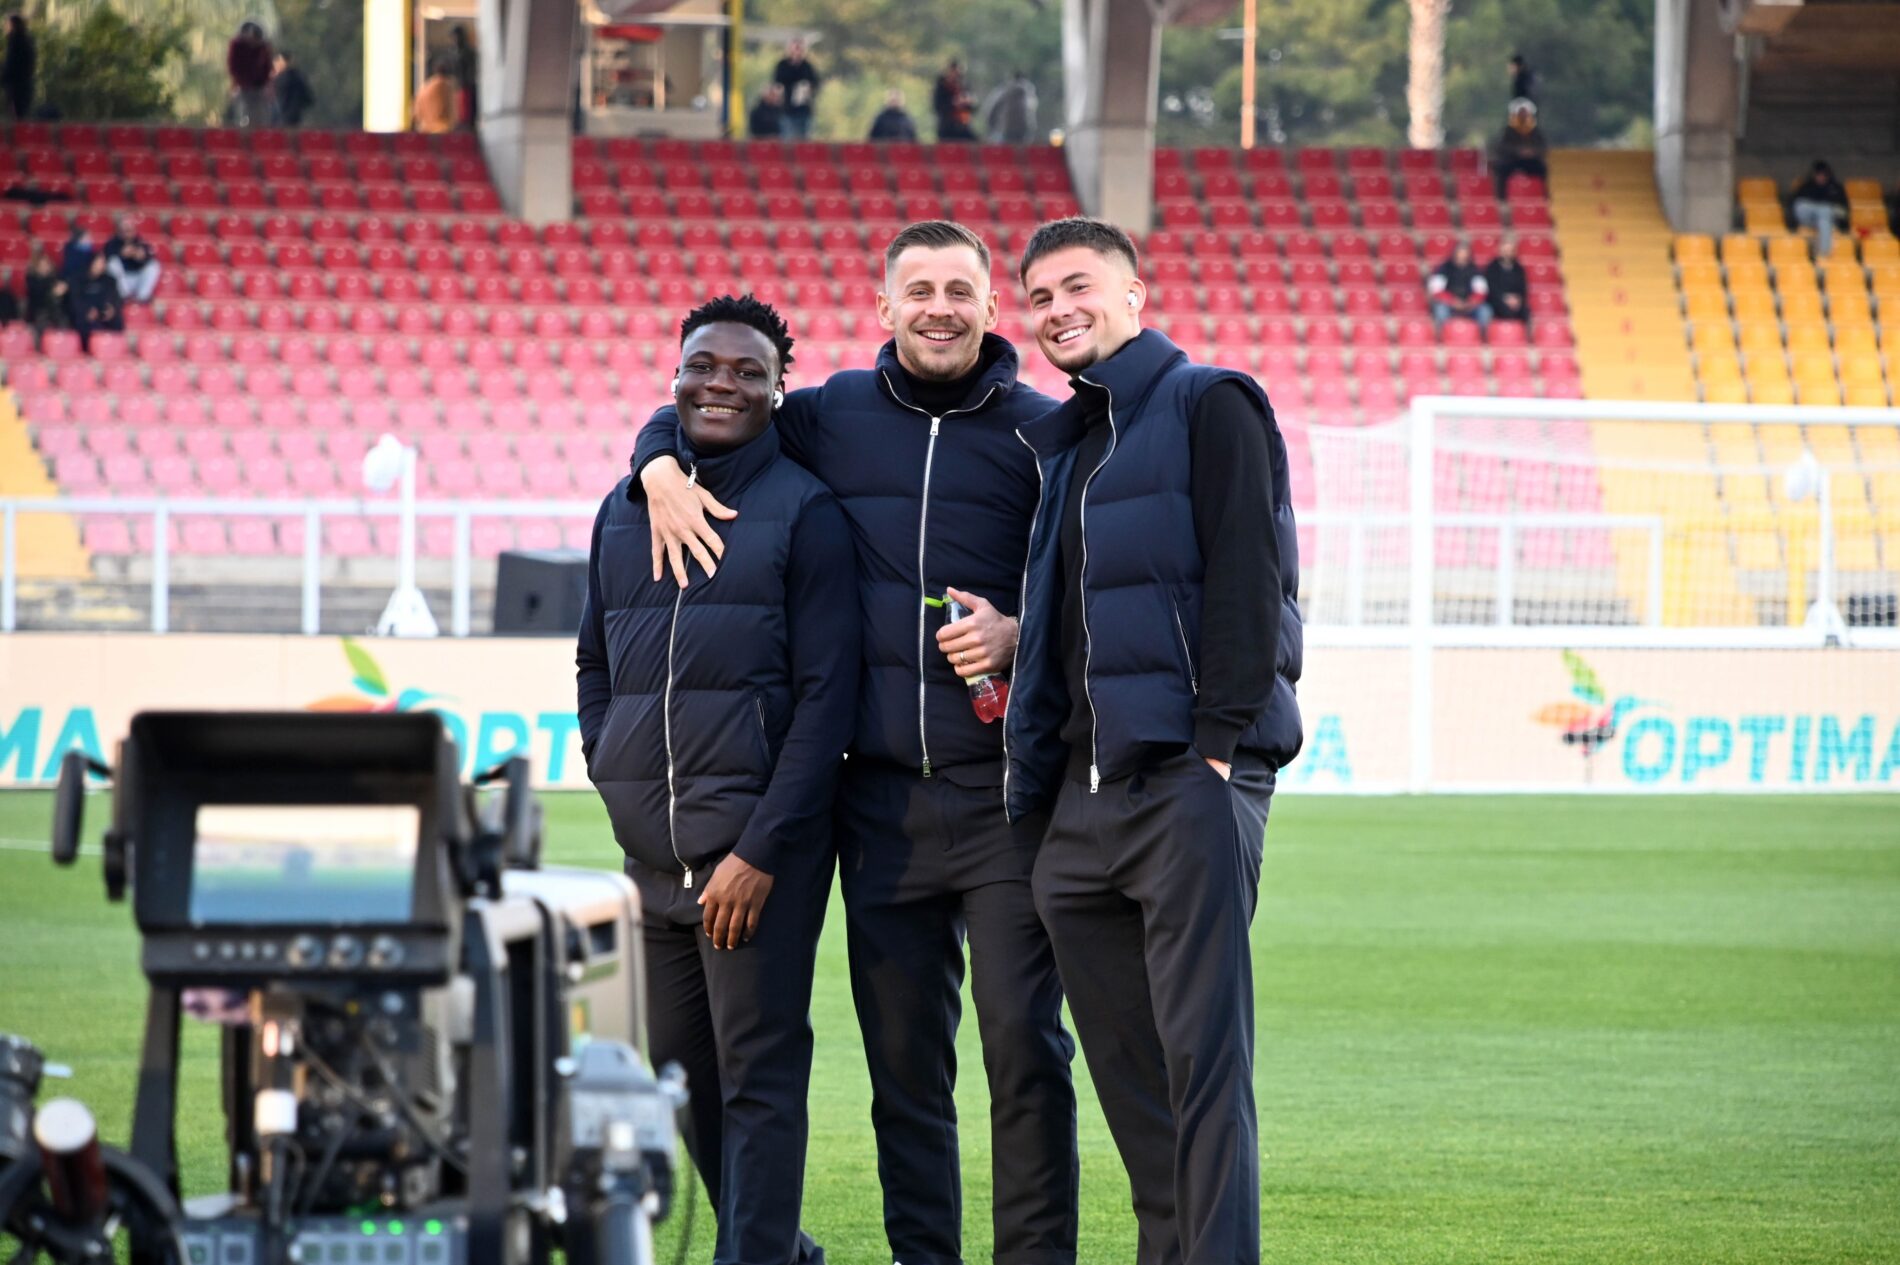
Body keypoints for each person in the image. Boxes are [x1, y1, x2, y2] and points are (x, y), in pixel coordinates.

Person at [634, 221, 1080, 1265]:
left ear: (991, 307)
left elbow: (1093, 586)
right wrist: (653, 462)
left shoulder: (1045, 432)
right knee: (905, 1073)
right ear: (884, 307)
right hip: (876, 807)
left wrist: (1018, 634)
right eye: (918, 290)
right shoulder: (828, 415)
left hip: (1007, 799)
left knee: (1025, 1053)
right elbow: (712, 402)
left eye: (959, 290)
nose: (939, 308)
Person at [1007, 217, 1301, 1265]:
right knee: (1134, 1088)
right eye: (1039, 298)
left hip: (1186, 783)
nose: (1057, 310)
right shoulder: (1071, 442)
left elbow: (1249, 583)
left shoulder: (1210, 401)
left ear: (1134, 293)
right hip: (1079, 812)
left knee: (1203, 1072)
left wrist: (1214, 750)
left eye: (1077, 286)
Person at [577, 295, 858, 1265]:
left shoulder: (806, 512)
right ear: (676, 376)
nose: (720, 384)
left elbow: (827, 699)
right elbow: (594, 662)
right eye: (703, 365)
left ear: (780, 388)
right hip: (651, 858)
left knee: (758, 1081)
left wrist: (761, 849)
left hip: (753, 862)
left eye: (747, 370)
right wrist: (610, 766)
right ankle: (781, 1249)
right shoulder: (621, 510)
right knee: (681, 1078)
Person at [1427, 241, 1492, 335]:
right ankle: (1444, 336)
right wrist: (1452, 301)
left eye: (1465, 253)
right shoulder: (1444, 268)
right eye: (1460, 253)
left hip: (1469, 305)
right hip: (1449, 305)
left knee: (1485, 310)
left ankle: (1481, 337)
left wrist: (1471, 302)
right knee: (1440, 310)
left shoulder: (1475, 270)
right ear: (1455, 253)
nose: (1462, 256)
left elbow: (1482, 291)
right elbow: (1436, 289)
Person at [1790, 160, 1850, 260]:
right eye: (1818, 175)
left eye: (1824, 175)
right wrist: (1792, 226)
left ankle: (1824, 254)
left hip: (1830, 218)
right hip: (1810, 220)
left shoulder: (1836, 188)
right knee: (1801, 205)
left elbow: (1844, 210)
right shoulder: (1806, 186)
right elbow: (1796, 206)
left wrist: (1844, 227)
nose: (1821, 177)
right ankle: (1824, 253)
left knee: (1825, 214)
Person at [1491, 97, 1548, 199]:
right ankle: (1501, 197)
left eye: (1525, 113)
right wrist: (1518, 151)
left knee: (1541, 168)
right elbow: (1502, 147)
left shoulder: (1535, 131)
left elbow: (1542, 147)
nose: (1523, 115)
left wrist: (1532, 152)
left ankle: (1543, 196)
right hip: (1512, 159)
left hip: (1530, 160)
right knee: (1502, 168)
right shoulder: (1508, 130)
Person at [68, 252, 123, 353]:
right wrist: (86, 310)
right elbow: (75, 300)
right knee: (82, 322)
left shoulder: (110, 280)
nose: (101, 266)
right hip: (85, 312)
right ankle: (87, 350)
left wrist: (112, 308)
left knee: (117, 321)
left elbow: (115, 298)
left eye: (103, 263)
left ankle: (114, 350)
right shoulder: (78, 279)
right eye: (98, 263)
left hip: (103, 311)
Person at [226, 22, 275, 127]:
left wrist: (268, 85)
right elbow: (233, 67)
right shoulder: (237, 46)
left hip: (260, 86)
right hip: (243, 85)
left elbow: (267, 67)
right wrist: (237, 82)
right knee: (244, 111)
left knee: (260, 113)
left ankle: (260, 131)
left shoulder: (263, 47)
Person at [104, 217, 160, 305]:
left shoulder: (140, 242)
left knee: (154, 265)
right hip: (122, 280)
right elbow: (105, 257)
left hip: (138, 278)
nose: (126, 233)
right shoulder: (113, 243)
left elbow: (150, 257)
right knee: (112, 263)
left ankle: (142, 296)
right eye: (123, 230)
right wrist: (120, 253)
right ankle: (124, 296)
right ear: (119, 231)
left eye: (129, 230)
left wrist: (142, 257)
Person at [771, 39, 819, 139]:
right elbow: (777, 84)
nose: (798, 51)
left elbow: (815, 83)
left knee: (804, 141)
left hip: (804, 110)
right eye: (796, 48)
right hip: (787, 110)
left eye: (800, 48)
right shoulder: (783, 66)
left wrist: (808, 89)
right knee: (788, 140)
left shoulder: (807, 66)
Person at [23, 246, 68, 345]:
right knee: (42, 324)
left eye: (47, 264)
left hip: (54, 313)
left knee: (64, 322)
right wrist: (53, 293)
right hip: (37, 313)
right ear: (37, 266)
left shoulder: (55, 279)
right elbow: (38, 296)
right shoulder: (32, 279)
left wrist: (61, 293)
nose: (45, 267)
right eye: (42, 265)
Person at [981, 69, 1038, 145]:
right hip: (1024, 130)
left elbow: (992, 107)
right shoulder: (1029, 92)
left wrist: (991, 125)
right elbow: (1031, 112)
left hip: (1006, 129)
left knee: (1006, 149)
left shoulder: (1004, 90)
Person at [1483, 236, 1528, 325]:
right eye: (1505, 250)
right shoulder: (1492, 268)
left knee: (1525, 312)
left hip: (1515, 301)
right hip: (1497, 301)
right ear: (1500, 251)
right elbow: (1491, 288)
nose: (1507, 253)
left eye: (1510, 250)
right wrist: (1505, 299)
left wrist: (1517, 299)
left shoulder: (1519, 269)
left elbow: (1523, 288)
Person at [932, 60, 976, 141]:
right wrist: (953, 103)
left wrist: (968, 102)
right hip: (947, 129)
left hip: (963, 127)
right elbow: (937, 107)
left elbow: (972, 108)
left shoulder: (963, 87)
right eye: (954, 72)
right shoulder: (941, 88)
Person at [270, 51, 314, 127]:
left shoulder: (286, 77)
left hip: (283, 119)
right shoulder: (297, 76)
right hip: (293, 118)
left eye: (277, 62)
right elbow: (308, 99)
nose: (275, 65)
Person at [412, 60, 458, 134]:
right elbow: (451, 108)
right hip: (442, 130)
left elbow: (416, 111)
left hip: (425, 129)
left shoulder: (425, 86)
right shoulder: (446, 86)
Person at [3, 15, 34, 123]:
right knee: (20, 115)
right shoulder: (27, 41)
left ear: (13, 26)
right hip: (24, 84)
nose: (4, 27)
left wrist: (4, 78)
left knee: (17, 117)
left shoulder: (15, 42)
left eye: (7, 24)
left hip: (16, 85)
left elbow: (11, 64)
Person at [450, 25, 478, 129]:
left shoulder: (468, 52)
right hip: (460, 87)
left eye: (456, 37)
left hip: (467, 87)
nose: (455, 40)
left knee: (467, 116)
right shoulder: (455, 52)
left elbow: (471, 69)